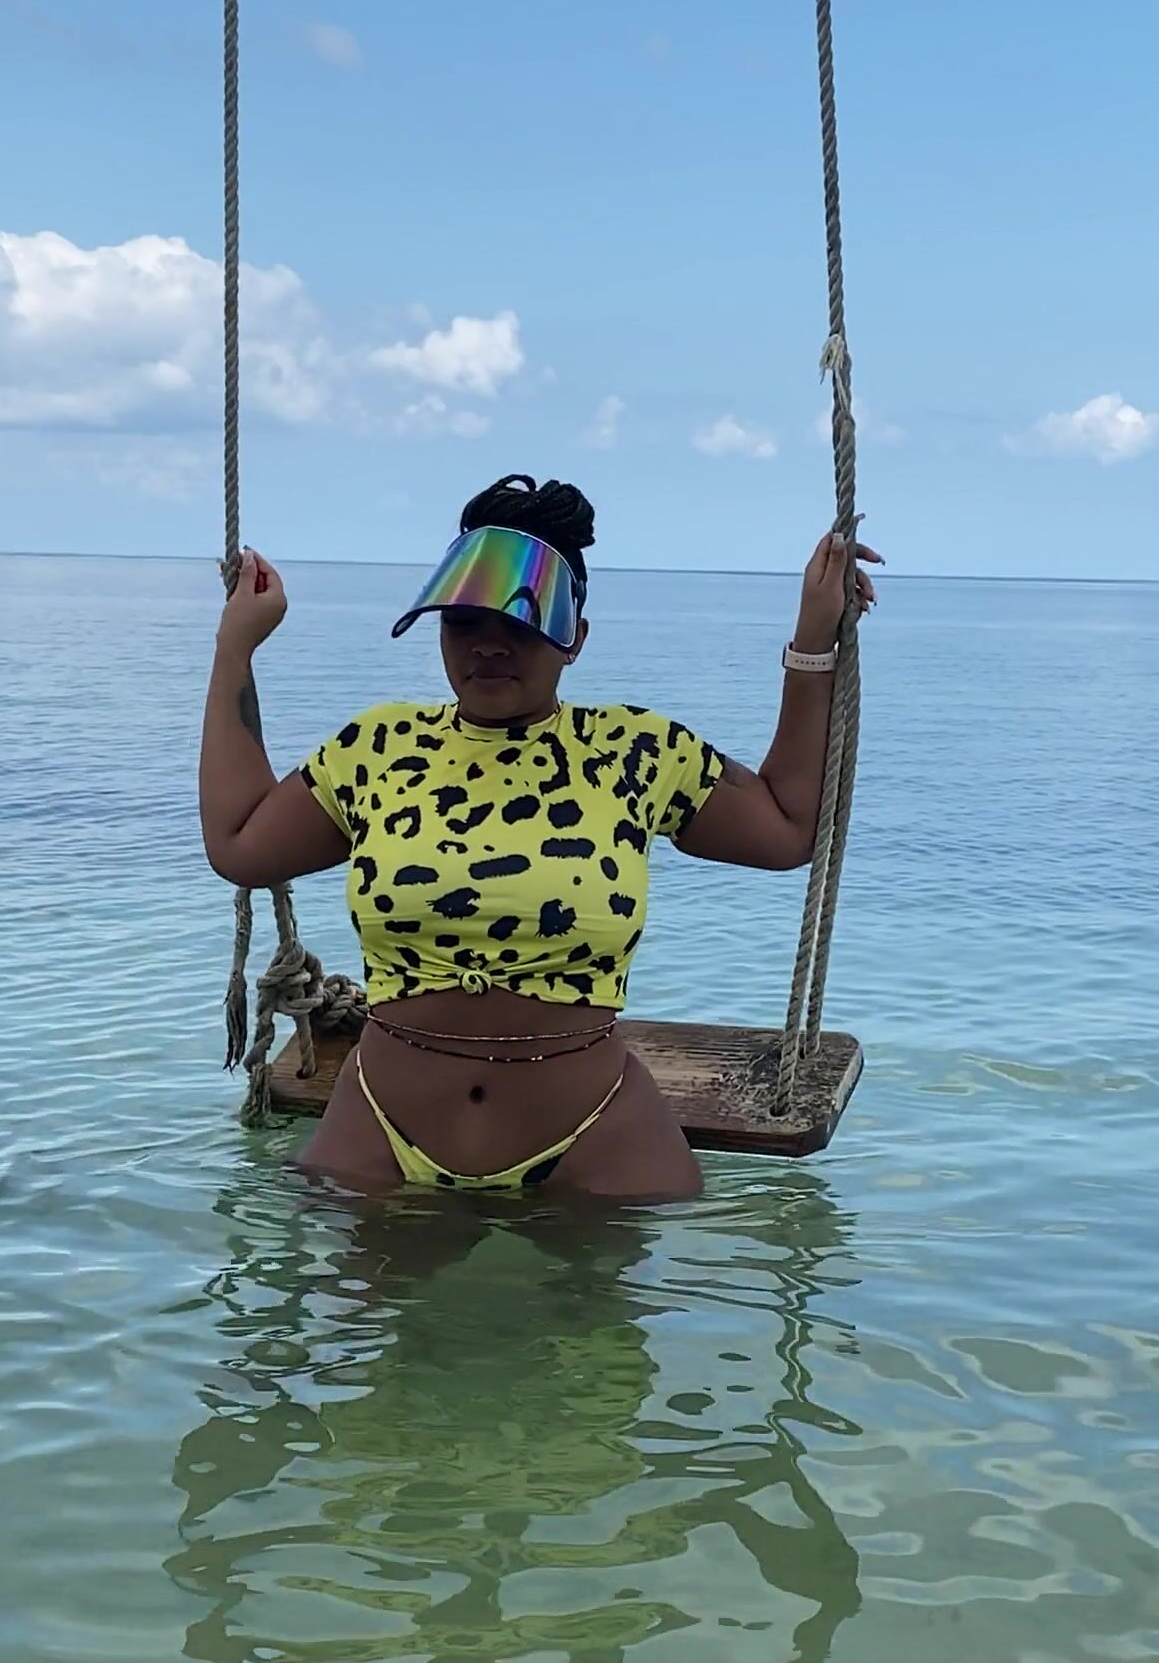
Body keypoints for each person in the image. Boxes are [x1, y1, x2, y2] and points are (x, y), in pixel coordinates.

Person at [200, 474, 881, 1198]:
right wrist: (234, 647)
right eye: (465, 622)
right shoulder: (379, 747)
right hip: (381, 1137)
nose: (490, 646)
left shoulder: (633, 751)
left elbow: (787, 829)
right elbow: (240, 843)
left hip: (597, 1140)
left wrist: (814, 638)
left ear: (574, 638)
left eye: (520, 626)